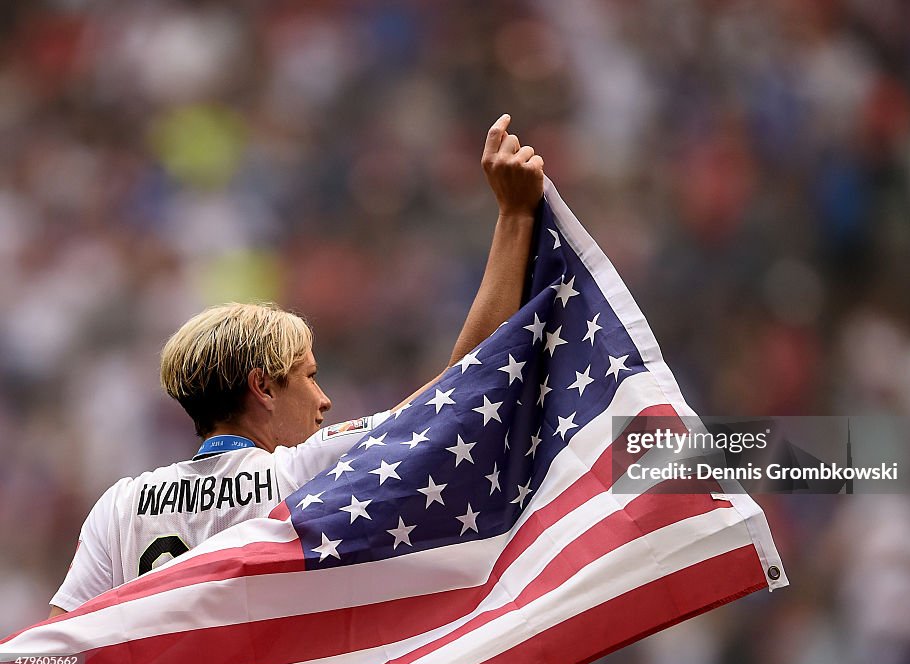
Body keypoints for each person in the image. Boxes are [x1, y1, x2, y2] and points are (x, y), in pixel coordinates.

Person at [48, 114, 544, 617]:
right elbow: (464, 386)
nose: (324, 399)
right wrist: (515, 216)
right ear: (262, 387)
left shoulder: (120, 506)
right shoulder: (304, 469)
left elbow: (55, 653)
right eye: (308, 376)